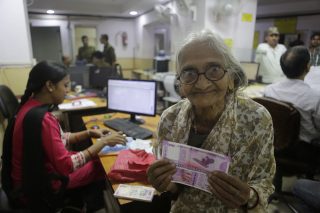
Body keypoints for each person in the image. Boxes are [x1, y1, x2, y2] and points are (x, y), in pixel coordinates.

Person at [147, 30, 276, 212]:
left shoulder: (256, 118)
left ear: (231, 78)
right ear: (181, 85)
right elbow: (175, 188)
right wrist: (164, 183)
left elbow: (265, 182)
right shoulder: (170, 118)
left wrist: (249, 196)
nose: (202, 84)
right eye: (189, 73)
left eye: (214, 70)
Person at [1, 61, 127, 212]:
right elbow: (67, 165)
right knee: (103, 165)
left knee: (96, 157)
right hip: (43, 187)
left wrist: (88, 133)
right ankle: (92, 206)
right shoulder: (43, 119)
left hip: (27, 182)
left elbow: (57, 139)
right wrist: (103, 142)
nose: (67, 91)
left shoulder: (29, 107)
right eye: (65, 85)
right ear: (50, 86)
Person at [264, 46, 320, 164]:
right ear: (308, 67)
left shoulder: (269, 90)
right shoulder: (314, 97)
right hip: (303, 151)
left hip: (272, 145)